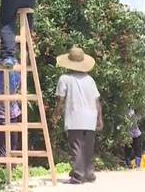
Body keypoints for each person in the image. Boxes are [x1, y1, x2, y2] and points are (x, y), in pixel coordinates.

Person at [51, 46, 102, 185]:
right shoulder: (90, 80)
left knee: (77, 147)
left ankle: (78, 176)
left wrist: (56, 115)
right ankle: (89, 173)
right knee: (88, 147)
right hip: (90, 116)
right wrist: (99, 119)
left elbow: (60, 100)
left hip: (75, 116)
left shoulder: (65, 78)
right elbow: (97, 101)